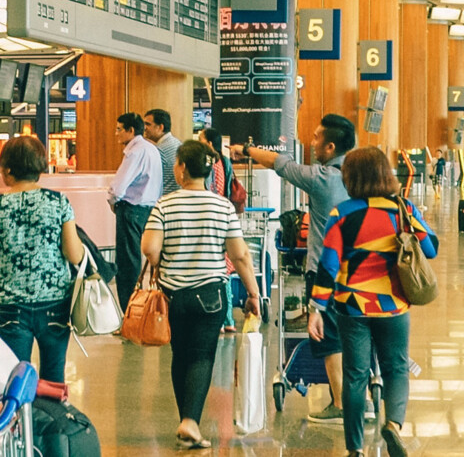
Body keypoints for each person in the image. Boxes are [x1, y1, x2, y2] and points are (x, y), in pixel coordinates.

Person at [309, 147, 436, 457]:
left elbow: (328, 265)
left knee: (355, 375)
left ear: (351, 178)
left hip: (351, 306)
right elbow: (430, 249)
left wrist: (317, 309)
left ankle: (355, 449)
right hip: (393, 305)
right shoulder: (402, 209)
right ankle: (393, 425)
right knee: (395, 369)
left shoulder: (342, 213)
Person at [234, 115, 354, 423]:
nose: (311, 143)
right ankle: (360, 398)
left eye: (316, 138)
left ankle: (340, 405)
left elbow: (279, 163)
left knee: (330, 338)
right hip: (360, 271)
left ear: (330, 146)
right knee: (356, 335)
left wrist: (246, 151)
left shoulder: (322, 177)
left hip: (326, 271)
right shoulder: (361, 175)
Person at [142, 141, 261, 450]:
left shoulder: (164, 205)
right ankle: (190, 422)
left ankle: (187, 420)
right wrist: (253, 293)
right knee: (202, 357)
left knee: (180, 355)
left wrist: (160, 261)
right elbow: (241, 254)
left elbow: (149, 249)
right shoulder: (222, 206)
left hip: (173, 294)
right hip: (210, 294)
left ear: (182, 168)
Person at [0, 136, 85, 382]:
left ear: (7, 169)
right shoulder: (58, 202)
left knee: (13, 381)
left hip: (9, 306)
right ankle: (53, 419)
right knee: (53, 379)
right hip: (55, 304)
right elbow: (74, 254)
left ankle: (21, 421)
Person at [109, 112, 163, 311]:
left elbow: (118, 187)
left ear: (131, 131)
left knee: (128, 263)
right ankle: (151, 308)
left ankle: (129, 311)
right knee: (152, 261)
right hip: (150, 209)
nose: (116, 134)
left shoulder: (134, 152)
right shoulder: (152, 149)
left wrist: (113, 201)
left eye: (119, 129)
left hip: (130, 210)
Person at [144, 108, 183, 196]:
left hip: (164, 201)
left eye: (148, 124)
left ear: (160, 127)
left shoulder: (159, 151)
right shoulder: (179, 144)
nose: (144, 128)